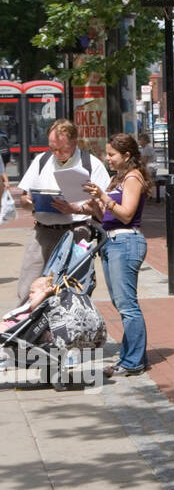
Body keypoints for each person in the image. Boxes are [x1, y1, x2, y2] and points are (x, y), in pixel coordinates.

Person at [11, 119, 112, 303]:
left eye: (62, 149)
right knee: (28, 288)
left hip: (76, 233)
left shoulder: (91, 164)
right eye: (52, 148)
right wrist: (30, 202)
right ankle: (27, 328)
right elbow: (24, 198)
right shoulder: (42, 160)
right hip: (42, 232)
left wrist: (76, 208)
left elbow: (103, 211)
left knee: (73, 288)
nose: (56, 154)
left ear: (74, 142)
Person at [80, 133, 150, 377]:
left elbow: (127, 214)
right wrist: (89, 205)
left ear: (127, 155)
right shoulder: (116, 179)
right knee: (122, 304)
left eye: (112, 154)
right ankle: (133, 357)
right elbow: (107, 217)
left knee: (127, 305)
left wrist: (104, 198)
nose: (107, 158)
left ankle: (133, 362)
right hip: (112, 241)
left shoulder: (133, 178)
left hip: (126, 241)